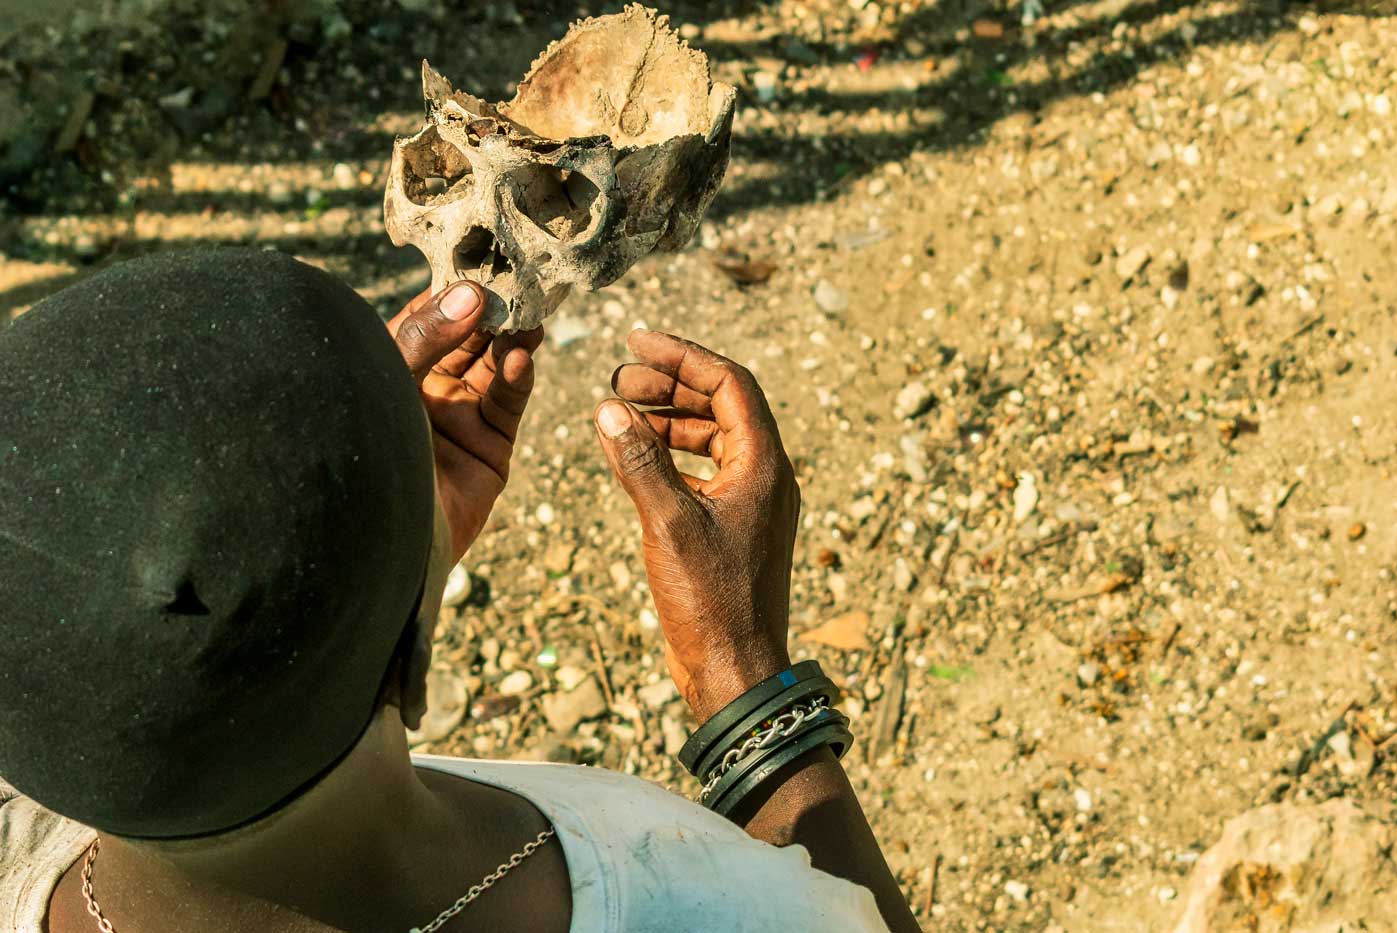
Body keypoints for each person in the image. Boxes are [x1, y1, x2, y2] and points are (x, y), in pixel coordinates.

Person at [0, 248, 920, 933]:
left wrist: (392, 554)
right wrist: (745, 683)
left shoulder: (31, 822)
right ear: (418, 672)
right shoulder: (722, 911)